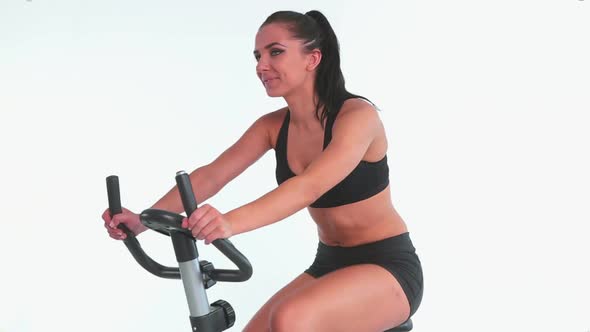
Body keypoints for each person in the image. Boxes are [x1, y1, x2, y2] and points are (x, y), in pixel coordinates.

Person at [102, 9, 423, 331]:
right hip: (329, 263)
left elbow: (308, 187)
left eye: (276, 52)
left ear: (312, 58)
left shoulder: (357, 117)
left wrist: (228, 223)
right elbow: (212, 175)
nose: (261, 65)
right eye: (258, 56)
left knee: (292, 320)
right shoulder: (272, 127)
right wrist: (143, 220)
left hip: (387, 266)